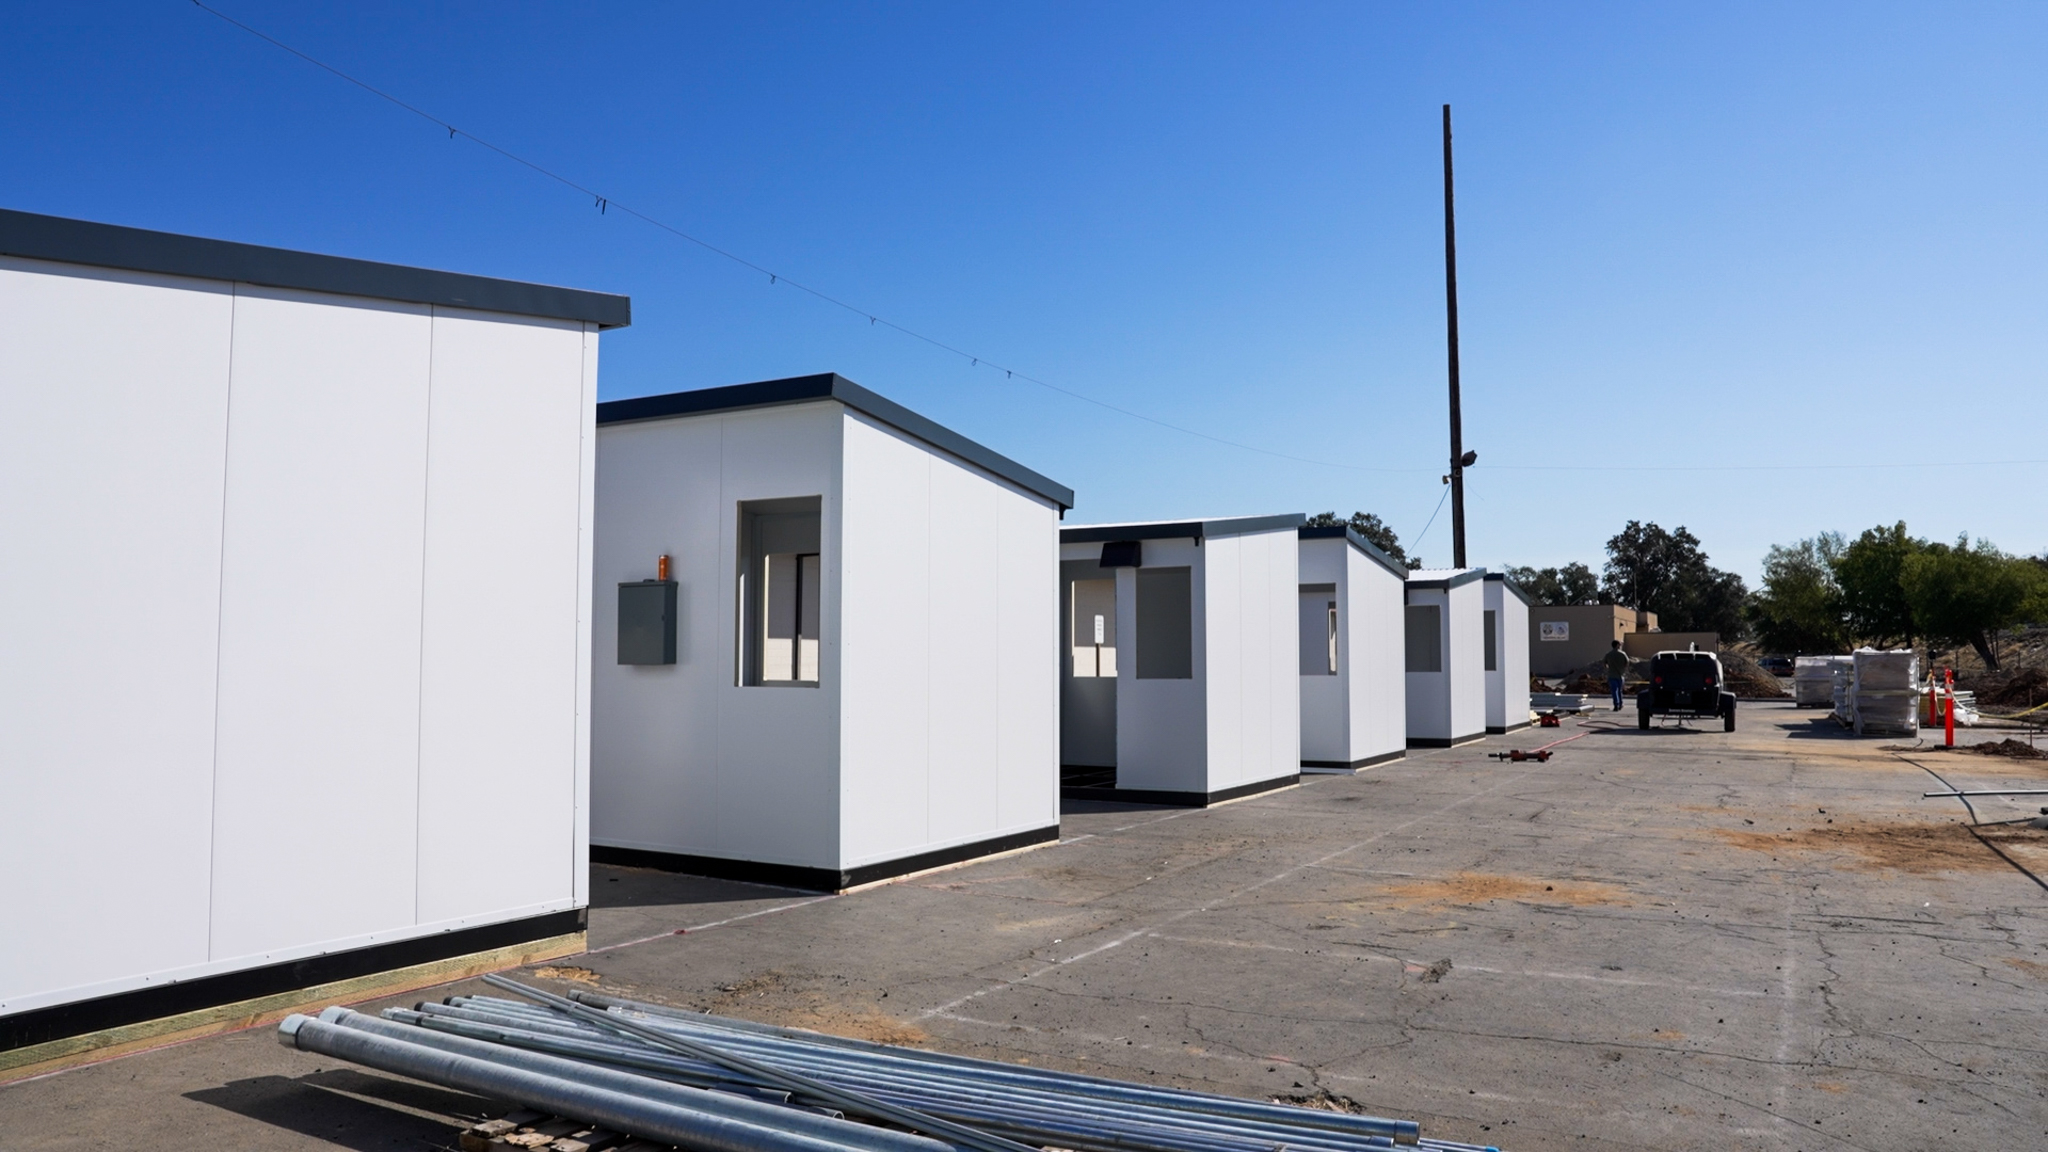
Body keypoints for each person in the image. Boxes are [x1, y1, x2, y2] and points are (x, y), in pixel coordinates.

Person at [1603, 640, 1632, 711]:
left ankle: (1616, 704)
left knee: (1614, 691)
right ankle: (1620, 704)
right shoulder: (1622, 654)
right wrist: (1623, 668)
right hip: (1620, 675)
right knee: (1619, 690)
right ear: (1617, 645)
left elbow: (1604, 663)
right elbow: (1627, 662)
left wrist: (1608, 668)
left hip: (1612, 675)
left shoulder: (1608, 654)